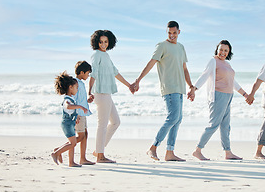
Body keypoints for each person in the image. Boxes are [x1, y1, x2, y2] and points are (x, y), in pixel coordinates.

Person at [131, 21, 194, 161]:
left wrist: (190, 86)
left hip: (180, 88)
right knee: (172, 117)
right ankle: (153, 147)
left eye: (174, 33)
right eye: (169, 33)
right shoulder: (161, 46)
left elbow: (184, 69)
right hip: (169, 87)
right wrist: (138, 80)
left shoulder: (181, 47)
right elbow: (151, 63)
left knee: (177, 120)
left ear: (179, 32)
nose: (172, 35)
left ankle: (169, 152)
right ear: (167, 32)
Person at [188, 40, 248, 161]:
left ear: (229, 52)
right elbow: (204, 75)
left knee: (226, 126)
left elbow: (233, 82)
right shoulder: (213, 61)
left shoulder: (227, 64)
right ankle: (197, 150)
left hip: (228, 96)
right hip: (218, 96)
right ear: (217, 49)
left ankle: (228, 152)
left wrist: (245, 94)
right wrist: (194, 88)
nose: (223, 52)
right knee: (213, 125)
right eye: (221, 49)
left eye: (226, 50)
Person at [88, 30, 133, 163]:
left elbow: (115, 72)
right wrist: (89, 91)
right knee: (102, 125)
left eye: (106, 42)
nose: (103, 44)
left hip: (106, 93)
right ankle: (100, 155)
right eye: (101, 42)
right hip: (100, 93)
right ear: (96, 42)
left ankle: (98, 150)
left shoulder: (105, 55)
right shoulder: (96, 55)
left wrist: (129, 85)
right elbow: (93, 73)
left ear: (110, 42)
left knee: (115, 122)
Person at [52, 72, 88, 167]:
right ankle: (56, 153)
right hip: (67, 124)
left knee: (72, 143)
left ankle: (70, 162)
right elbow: (68, 107)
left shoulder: (71, 98)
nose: (77, 89)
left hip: (70, 123)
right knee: (72, 143)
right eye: (76, 87)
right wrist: (80, 106)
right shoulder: (67, 100)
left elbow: (71, 111)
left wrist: (76, 117)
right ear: (70, 87)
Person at [74, 61, 95, 165]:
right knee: (81, 136)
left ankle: (83, 158)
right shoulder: (75, 83)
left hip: (82, 113)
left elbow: (80, 99)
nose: (88, 75)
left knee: (85, 135)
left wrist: (88, 100)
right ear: (82, 72)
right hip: (78, 115)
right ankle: (59, 150)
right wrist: (75, 114)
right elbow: (73, 99)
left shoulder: (81, 83)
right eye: (87, 73)